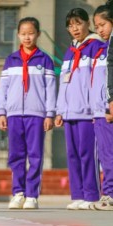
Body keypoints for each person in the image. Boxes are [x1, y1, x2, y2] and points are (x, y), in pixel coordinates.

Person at [0, 17, 57, 210]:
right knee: (16, 155)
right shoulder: (11, 60)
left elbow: (50, 89)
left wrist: (50, 114)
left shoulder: (44, 60)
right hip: (13, 115)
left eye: (31, 33)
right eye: (23, 33)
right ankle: (18, 193)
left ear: (38, 34)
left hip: (36, 114)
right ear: (18, 35)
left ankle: (32, 195)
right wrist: (2, 112)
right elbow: (3, 89)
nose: (27, 37)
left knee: (35, 155)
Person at [55, 8, 102, 210]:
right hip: (69, 112)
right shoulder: (70, 51)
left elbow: (96, 82)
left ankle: (91, 195)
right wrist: (59, 110)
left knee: (87, 153)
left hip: (86, 112)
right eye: (70, 25)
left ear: (87, 24)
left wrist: (95, 109)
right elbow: (63, 83)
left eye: (78, 23)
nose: (74, 28)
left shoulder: (95, 47)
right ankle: (78, 194)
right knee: (72, 154)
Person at [93, 4, 113, 210]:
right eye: (97, 26)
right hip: (102, 108)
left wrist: (110, 104)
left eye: (103, 25)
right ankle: (108, 193)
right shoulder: (104, 48)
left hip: (109, 108)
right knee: (106, 156)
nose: (99, 30)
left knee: (109, 156)